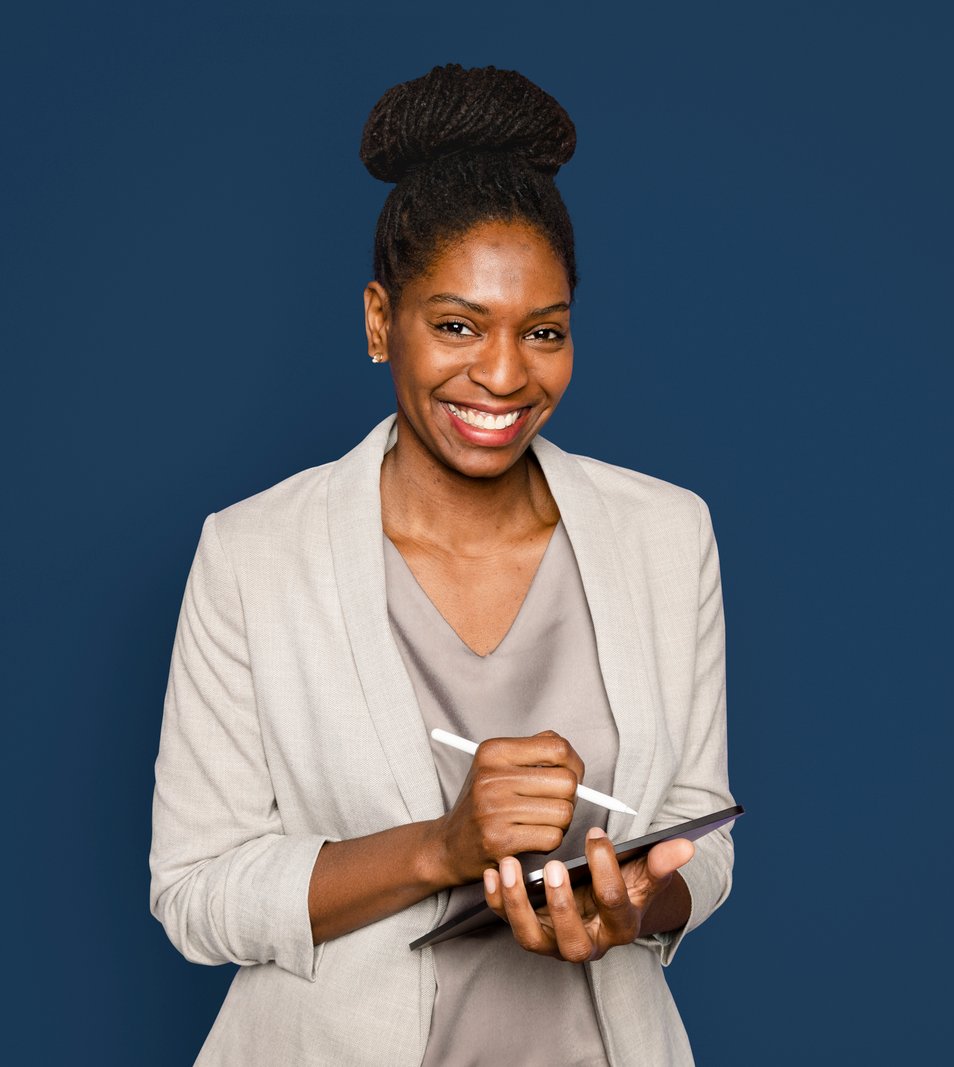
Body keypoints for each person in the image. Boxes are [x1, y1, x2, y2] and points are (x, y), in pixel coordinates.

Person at [148, 63, 735, 1066]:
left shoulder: (665, 533)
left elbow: (699, 833)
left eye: (542, 332)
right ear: (383, 320)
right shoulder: (254, 555)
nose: (503, 374)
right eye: (456, 324)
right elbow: (195, 893)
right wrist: (440, 849)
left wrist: (637, 903)